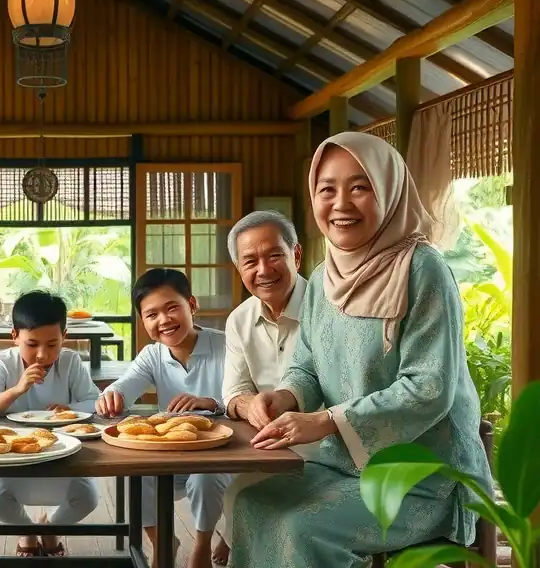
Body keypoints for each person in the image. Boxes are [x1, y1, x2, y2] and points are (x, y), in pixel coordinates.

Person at [228, 132, 492, 567]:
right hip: (344, 464)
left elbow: (429, 388)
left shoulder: (422, 269)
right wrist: (285, 397)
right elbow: (307, 365)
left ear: (389, 190)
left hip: (423, 475)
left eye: (360, 187)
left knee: (300, 527)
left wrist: (326, 420)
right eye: (326, 189)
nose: (341, 204)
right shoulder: (322, 277)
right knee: (252, 505)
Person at [95, 269, 231, 568]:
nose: (164, 321)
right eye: (151, 314)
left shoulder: (227, 346)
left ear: (192, 305)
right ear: (143, 321)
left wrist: (211, 403)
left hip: (225, 453)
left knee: (205, 480)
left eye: (172, 308)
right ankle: (162, 541)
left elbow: (250, 397)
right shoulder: (152, 355)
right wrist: (112, 395)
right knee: (136, 474)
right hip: (171, 451)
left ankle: (203, 545)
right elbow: (125, 386)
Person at [0, 291, 101, 558]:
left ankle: (50, 528)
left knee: (87, 499)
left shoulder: (71, 362)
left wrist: (70, 410)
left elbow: (94, 402)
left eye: (53, 344)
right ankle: (27, 530)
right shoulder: (3, 363)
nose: (42, 354)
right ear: (14, 336)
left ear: (65, 336)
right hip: (12, 455)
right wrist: (17, 389)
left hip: (63, 453)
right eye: (32, 344)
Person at [214, 211, 310, 564]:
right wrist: (248, 404)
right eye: (250, 261)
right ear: (239, 269)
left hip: (327, 444)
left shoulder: (328, 308)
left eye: (274, 256)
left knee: (280, 518)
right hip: (268, 447)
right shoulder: (239, 319)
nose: (263, 270)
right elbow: (233, 392)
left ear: (296, 256)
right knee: (238, 495)